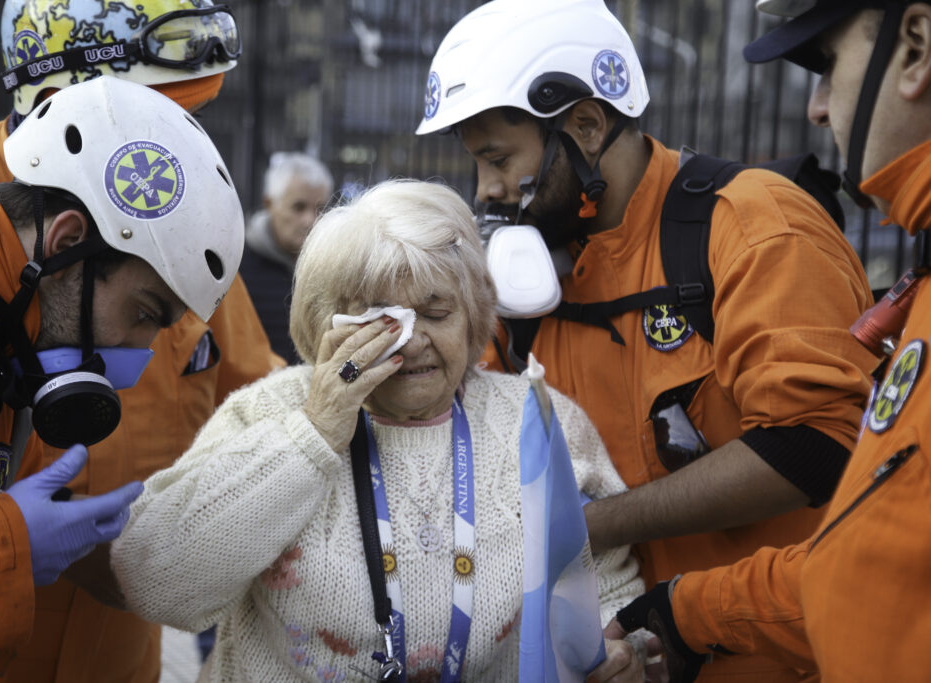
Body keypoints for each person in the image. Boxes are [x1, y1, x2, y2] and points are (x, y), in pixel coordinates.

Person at [415, 0, 878, 679]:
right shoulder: (529, 274)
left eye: (497, 159)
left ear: (587, 125)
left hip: (772, 659)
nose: (486, 190)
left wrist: (587, 526)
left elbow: (812, 445)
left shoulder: (752, 225)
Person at [112, 179, 646, 682]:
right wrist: (315, 432)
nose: (412, 342)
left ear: (474, 316)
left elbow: (606, 581)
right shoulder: (270, 412)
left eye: (436, 313)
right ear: (326, 324)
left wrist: (619, 648)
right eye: (382, 320)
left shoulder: (533, 417)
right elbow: (156, 583)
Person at [0, 1, 285, 680]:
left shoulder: (164, 245)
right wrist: (3, 551)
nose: (176, 149)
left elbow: (261, 394)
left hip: (112, 650)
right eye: (152, 118)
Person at [609, 1, 931, 681]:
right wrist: (693, 611)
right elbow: (876, 551)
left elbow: (815, 453)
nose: (817, 107)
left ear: (918, 44)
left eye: (827, 64)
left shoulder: (748, 220)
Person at [239, 152, 334, 364]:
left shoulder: (333, 268)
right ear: (269, 204)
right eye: (298, 207)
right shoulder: (236, 267)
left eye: (320, 209)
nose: (310, 220)